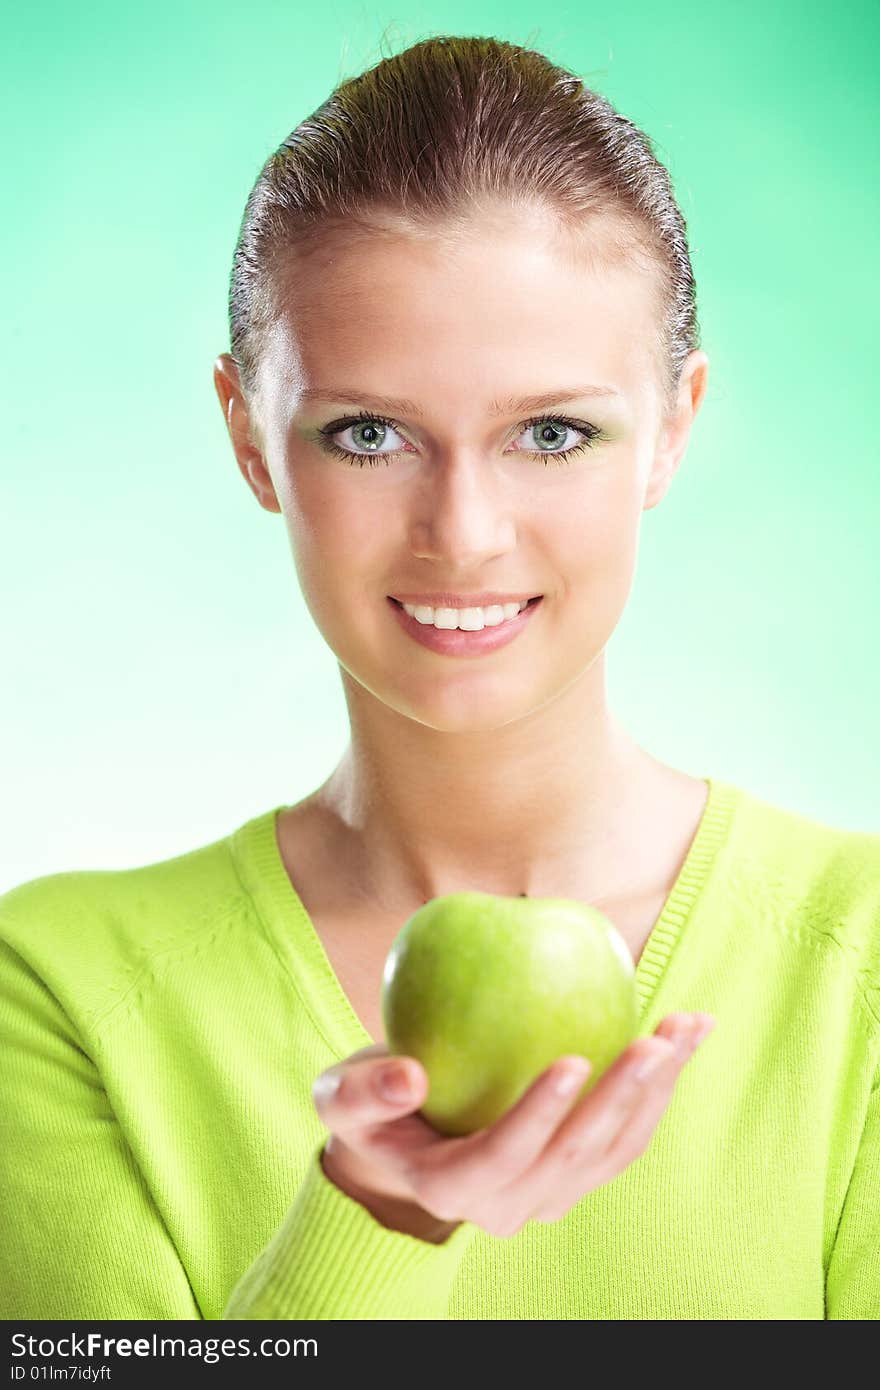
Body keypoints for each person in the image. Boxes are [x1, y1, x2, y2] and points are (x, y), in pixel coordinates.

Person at [1, 35, 877, 1322]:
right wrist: (376, 1222)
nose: (462, 531)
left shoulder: (859, 962)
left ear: (673, 429)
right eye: (368, 433)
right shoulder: (58, 987)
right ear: (250, 439)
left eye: (551, 432)